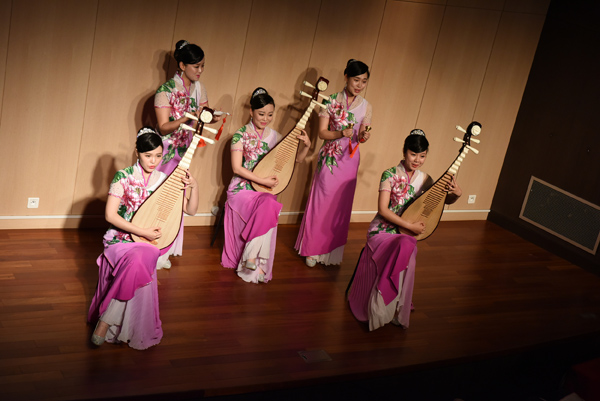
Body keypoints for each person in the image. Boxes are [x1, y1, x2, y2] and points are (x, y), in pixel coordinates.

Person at [88, 127, 199, 349]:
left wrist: (194, 188)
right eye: (148, 155)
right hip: (119, 240)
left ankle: (106, 320)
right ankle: (109, 320)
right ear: (137, 152)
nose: (153, 161)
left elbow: (191, 210)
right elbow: (110, 215)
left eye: (158, 155)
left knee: (144, 253)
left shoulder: (164, 179)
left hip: (148, 243)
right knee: (140, 256)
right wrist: (141, 231)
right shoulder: (124, 176)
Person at [347, 130, 462, 330]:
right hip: (382, 231)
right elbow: (383, 210)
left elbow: (438, 204)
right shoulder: (389, 174)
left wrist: (456, 195)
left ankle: (396, 307)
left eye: (422, 155)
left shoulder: (426, 180)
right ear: (404, 151)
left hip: (405, 235)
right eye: (413, 154)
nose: (417, 160)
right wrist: (408, 226)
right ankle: (385, 306)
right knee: (408, 243)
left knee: (408, 243)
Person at [221, 87, 311, 283]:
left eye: (270, 114)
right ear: (251, 112)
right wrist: (261, 180)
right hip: (241, 189)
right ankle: (254, 263)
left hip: (264, 191)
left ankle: (251, 259)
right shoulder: (240, 135)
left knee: (269, 203)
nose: (265, 118)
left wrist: (307, 146)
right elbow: (236, 168)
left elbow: (295, 161)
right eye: (261, 114)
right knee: (268, 203)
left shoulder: (276, 137)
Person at [295, 59, 373, 267]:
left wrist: (364, 136)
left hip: (350, 161)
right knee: (322, 203)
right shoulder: (329, 101)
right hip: (330, 158)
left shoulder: (367, 107)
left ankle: (331, 252)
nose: (359, 85)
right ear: (346, 77)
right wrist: (340, 133)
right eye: (356, 79)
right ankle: (312, 250)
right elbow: (321, 133)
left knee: (340, 206)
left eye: (364, 81)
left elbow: (363, 133)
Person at [153, 39, 221, 268]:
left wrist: (211, 118)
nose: (200, 71)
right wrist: (186, 118)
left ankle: (167, 248)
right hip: (164, 152)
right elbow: (163, 127)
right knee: (162, 199)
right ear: (182, 65)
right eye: (196, 66)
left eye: (203, 66)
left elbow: (203, 117)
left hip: (185, 152)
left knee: (177, 199)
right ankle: (154, 248)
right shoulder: (165, 91)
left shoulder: (200, 89)